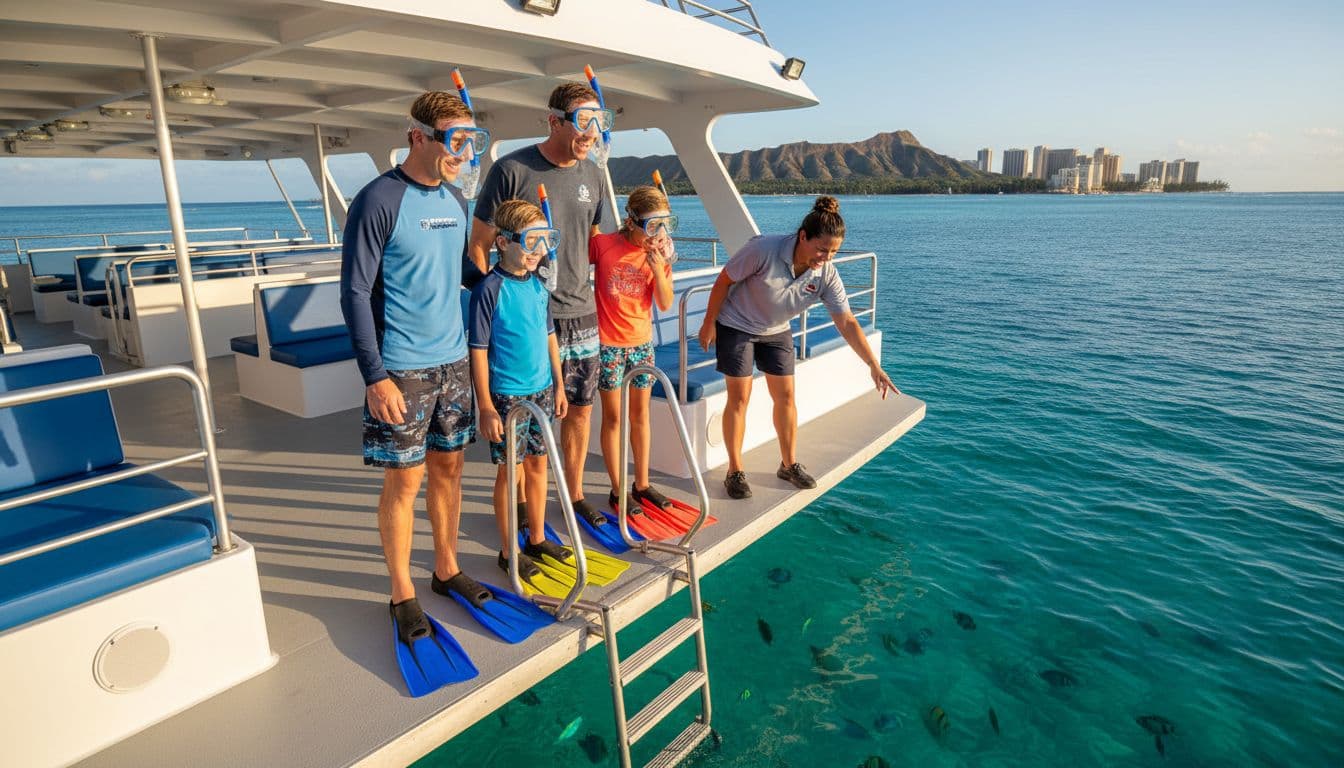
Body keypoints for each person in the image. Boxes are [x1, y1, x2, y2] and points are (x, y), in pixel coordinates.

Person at [339, 91, 489, 655]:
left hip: (453, 363)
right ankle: (402, 591)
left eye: (471, 141)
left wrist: (507, 275)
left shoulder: (452, 200)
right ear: (418, 137)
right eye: (456, 140)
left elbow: (460, 274)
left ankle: (446, 568)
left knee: (449, 470)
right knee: (405, 480)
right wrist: (374, 375)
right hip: (401, 367)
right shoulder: (378, 199)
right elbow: (353, 290)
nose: (464, 151)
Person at [468, 82, 614, 530]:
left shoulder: (592, 174)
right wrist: (495, 311)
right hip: (524, 320)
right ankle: (513, 511)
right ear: (554, 120)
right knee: (518, 425)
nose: (592, 131)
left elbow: (597, 243)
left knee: (579, 410)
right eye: (583, 120)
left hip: (580, 312)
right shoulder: (512, 169)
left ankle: (571, 496)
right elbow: (478, 245)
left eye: (600, 120)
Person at [697, 196, 899, 500]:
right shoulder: (763, 249)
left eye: (833, 251)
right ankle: (735, 471)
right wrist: (709, 323)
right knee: (740, 398)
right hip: (737, 325)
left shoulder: (826, 273)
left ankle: (788, 464)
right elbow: (724, 280)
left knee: (787, 396)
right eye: (821, 248)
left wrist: (873, 364)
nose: (826, 257)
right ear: (802, 236)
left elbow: (846, 322)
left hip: (776, 330)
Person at [467, 200, 570, 586]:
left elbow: (549, 337)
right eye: (530, 241)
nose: (538, 251)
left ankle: (538, 537)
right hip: (507, 398)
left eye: (544, 241)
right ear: (503, 242)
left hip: (542, 391)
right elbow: (477, 350)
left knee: (539, 465)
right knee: (510, 473)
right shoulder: (489, 290)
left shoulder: (539, 286)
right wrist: (486, 406)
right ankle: (509, 549)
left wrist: (559, 385)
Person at [589, 185, 675, 511]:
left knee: (641, 417)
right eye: (651, 226)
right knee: (614, 419)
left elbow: (665, 303)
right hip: (609, 346)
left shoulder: (659, 255)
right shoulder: (604, 245)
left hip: (641, 345)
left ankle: (642, 484)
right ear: (632, 220)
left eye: (663, 225)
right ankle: (617, 489)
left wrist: (657, 267)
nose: (657, 234)